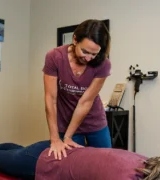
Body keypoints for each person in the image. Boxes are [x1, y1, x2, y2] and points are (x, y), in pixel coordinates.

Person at [0, 139, 160, 180]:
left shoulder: (146, 161)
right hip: (47, 163)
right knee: (0, 159)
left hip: (58, 148)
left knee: (19, 151)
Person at [42, 19, 112, 159]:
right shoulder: (54, 57)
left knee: (104, 162)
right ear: (75, 40)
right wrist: (55, 139)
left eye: (94, 54)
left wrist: (68, 136)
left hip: (94, 121)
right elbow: (51, 99)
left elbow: (85, 102)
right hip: (65, 121)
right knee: (73, 164)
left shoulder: (103, 64)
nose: (88, 58)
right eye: (85, 51)